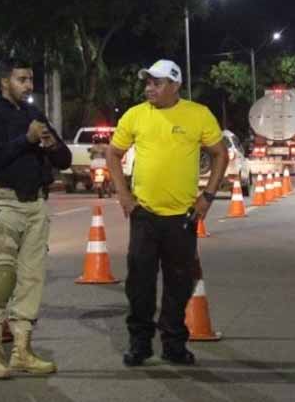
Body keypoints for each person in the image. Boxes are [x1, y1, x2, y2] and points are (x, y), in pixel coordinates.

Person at [107, 59, 228, 368]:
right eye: (147, 82)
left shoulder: (198, 114)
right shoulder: (135, 115)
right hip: (144, 216)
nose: (149, 88)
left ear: (175, 85)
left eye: (156, 83)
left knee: (179, 283)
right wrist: (123, 194)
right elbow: (113, 153)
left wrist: (208, 197)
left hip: (183, 218)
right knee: (140, 285)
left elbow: (219, 154)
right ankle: (140, 344)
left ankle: (174, 344)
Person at [0, 59, 72, 380]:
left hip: (36, 206)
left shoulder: (34, 115)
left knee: (31, 280)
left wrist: (52, 144)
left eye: (30, 79)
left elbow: (65, 161)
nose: (29, 85)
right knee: (3, 279)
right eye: (22, 79)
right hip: (3, 204)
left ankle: (22, 352)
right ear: (5, 82)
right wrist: (25, 140)